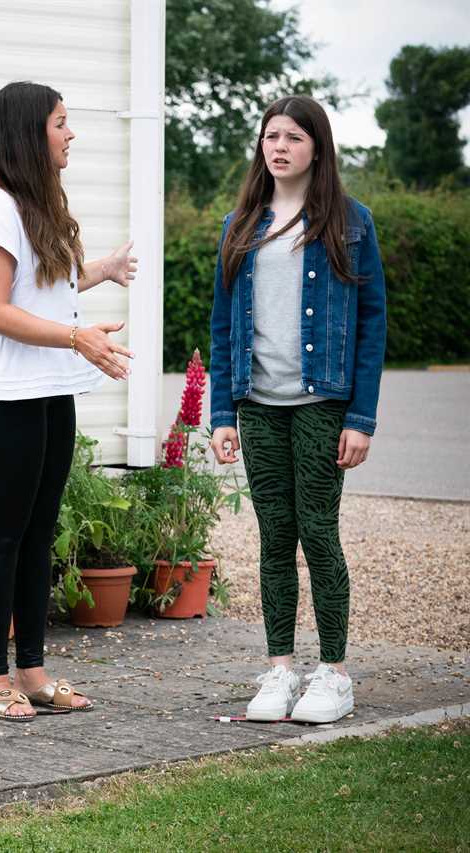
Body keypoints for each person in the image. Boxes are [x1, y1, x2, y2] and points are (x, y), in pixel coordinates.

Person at [0, 81, 137, 721]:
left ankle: (32, 671)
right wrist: (78, 337)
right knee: (5, 533)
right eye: (60, 122)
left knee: (39, 532)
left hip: (48, 385)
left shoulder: (32, 203)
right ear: (29, 132)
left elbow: (45, 280)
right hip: (1, 391)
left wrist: (101, 269)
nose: (70, 133)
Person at [208, 95, 386, 724]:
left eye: (293, 138)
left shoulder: (350, 222)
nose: (278, 147)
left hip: (321, 403)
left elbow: (372, 326)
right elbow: (222, 325)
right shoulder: (240, 224)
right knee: (274, 536)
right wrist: (222, 414)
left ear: (317, 148)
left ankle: (334, 673)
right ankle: (280, 669)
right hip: (257, 404)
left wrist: (360, 418)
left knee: (319, 530)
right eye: (270, 137)